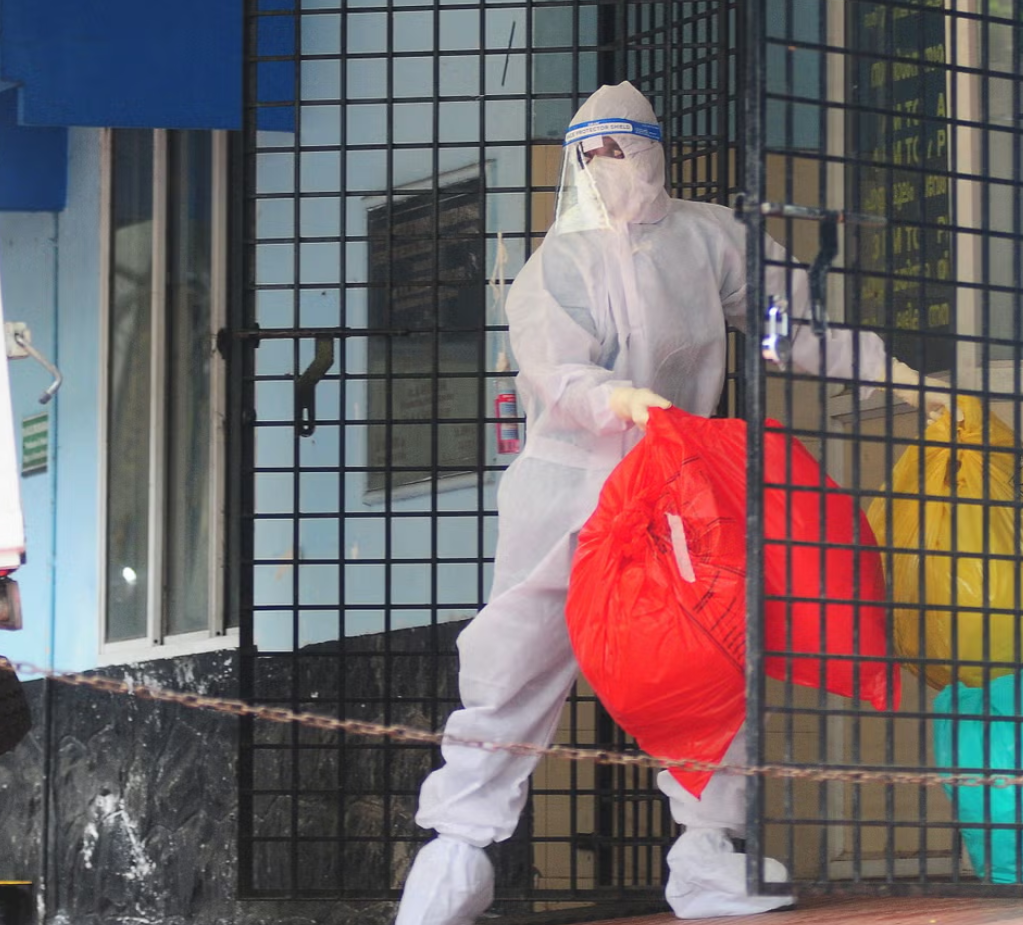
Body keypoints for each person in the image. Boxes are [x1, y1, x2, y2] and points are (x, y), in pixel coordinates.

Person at [393, 81, 948, 923]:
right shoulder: (556, 267)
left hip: (674, 496)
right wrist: (617, 399)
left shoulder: (705, 240)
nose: (606, 165)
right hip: (570, 494)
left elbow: (782, 330)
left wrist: (886, 372)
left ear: (652, 149)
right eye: (590, 153)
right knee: (513, 663)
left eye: (620, 148)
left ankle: (706, 855)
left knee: (709, 661)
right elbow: (555, 369)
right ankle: (454, 856)